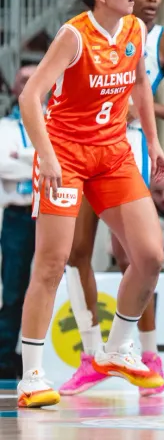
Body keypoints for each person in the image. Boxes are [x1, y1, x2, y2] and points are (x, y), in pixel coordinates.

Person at [16, 0, 164, 408]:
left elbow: (141, 84)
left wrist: (154, 141)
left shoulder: (135, 31)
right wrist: (45, 155)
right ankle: (32, 378)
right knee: (52, 263)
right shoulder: (73, 35)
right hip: (65, 154)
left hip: (114, 153)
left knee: (150, 256)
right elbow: (29, 98)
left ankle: (117, 350)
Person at [59, 0, 164, 397]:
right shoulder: (85, 33)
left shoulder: (163, 43)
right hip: (86, 146)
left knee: (136, 256)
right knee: (77, 249)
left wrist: (146, 119)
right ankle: (92, 355)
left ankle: (144, 353)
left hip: (127, 150)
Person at [0, 62, 39, 378]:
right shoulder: (5, 128)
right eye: (23, 79)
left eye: (35, 79)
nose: (28, 85)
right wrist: (40, 162)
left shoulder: (57, 124)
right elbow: (3, 167)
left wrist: (21, 159)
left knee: (48, 285)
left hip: (51, 215)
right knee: (13, 289)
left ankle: (38, 359)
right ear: (14, 88)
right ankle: (4, 358)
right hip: (17, 214)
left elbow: (66, 166)